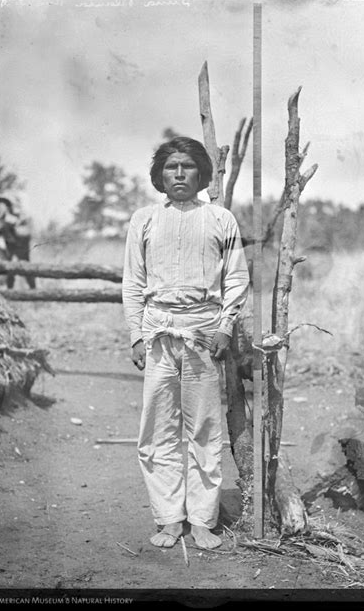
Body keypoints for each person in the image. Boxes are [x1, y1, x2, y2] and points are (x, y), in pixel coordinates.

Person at [122, 137, 250, 550]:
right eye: (171, 167)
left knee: (205, 430)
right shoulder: (143, 220)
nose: (179, 174)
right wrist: (137, 335)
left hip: (202, 336)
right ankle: (169, 518)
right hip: (158, 332)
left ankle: (201, 520)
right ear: (160, 175)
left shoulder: (220, 219)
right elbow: (133, 283)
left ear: (202, 174)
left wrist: (226, 327)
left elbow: (236, 279)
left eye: (188, 167)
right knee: (157, 431)